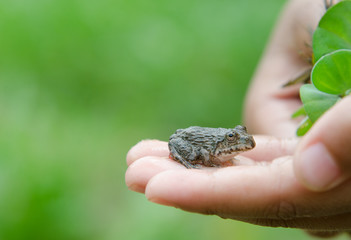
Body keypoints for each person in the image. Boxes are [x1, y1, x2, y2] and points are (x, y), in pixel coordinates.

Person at [125, 0, 351, 236]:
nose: (238, 140)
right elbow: (201, 152)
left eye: (236, 135)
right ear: (226, 140)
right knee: (192, 154)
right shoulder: (213, 148)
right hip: (189, 138)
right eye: (233, 137)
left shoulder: (228, 147)